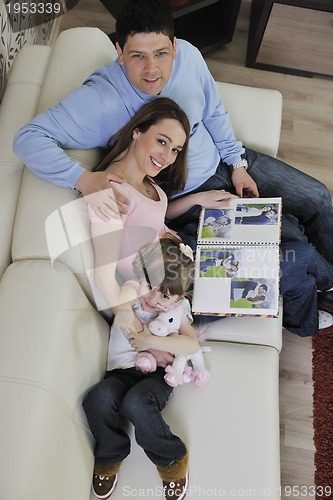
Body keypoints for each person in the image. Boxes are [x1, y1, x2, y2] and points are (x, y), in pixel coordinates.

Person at [13, 3, 333, 321]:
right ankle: (317, 290)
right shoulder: (98, 101)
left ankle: (327, 288)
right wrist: (82, 179)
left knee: (318, 196)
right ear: (120, 52)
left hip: (223, 162)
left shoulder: (189, 57)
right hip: (183, 193)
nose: (152, 69)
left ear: (175, 47)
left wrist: (237, 164)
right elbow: (28, 138)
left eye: (161, 53)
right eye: (138, 55)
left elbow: (214, 111)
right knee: (290, 235)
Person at [83, 237, 196, 500]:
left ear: (179, 297)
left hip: (157, 375)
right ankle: (110, 452)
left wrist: (150, 341)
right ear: (140, 275)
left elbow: (190, 345)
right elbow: (125, 296)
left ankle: (171, 458)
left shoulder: (179, 309)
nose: (154, 299)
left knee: (136, 403)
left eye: (165, 296)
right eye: (150, 286)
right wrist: (123, 310)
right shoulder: (132, 290)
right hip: (120, 372)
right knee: (97, 398)